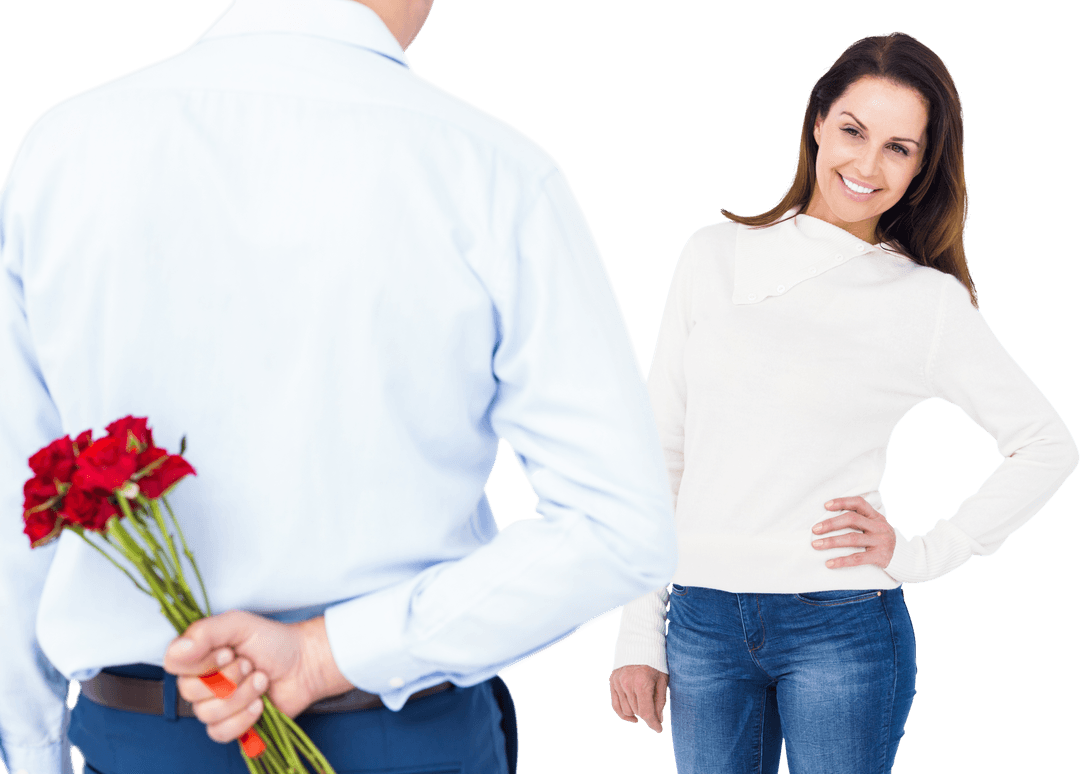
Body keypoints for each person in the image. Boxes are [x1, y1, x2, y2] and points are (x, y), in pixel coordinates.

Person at [0, 0, 680, 772]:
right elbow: (620, 526)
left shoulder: (61, 149)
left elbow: (16, 498)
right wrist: (327, 656)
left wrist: (28, 756)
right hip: (400, 734)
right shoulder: (488, 166)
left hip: (136, 737)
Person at [608, 31, 1078, 774]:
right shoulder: (713, 254)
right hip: (698, 620)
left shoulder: (926, 301)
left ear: (923, 164)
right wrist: (639, 634)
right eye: (854, 131)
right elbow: (659, 446)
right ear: (818, 120)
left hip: (839, 624)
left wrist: (921, 554)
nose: (865, 165)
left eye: (899, 147)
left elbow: (1048, 446)